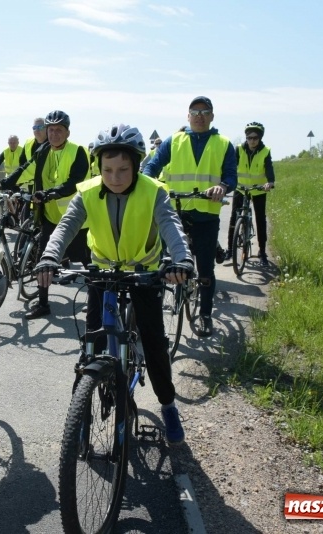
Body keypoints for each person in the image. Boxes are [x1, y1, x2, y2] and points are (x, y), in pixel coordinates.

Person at [33, 124, 195, 443]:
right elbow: (65, 227)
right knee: (91, 339)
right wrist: (49, 257)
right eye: (107, 169)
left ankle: (168, 405)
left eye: (123, 169)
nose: (115, 177)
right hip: (102, 270)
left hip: (145, 273)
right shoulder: (88, 191)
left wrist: (182, 260)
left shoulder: (154, 191)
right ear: (99, 167)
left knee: (154, 343)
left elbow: (172, 229)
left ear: (136, 166)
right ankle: (83, 408)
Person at [143, 96, 237, 337]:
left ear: (212, 116)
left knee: (205, 270)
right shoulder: (173, 140)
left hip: (206, 215)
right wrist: (148, 184)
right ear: (187, 116)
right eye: (194, 112)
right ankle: (150, 315)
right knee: (165, 263)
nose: (199, 116)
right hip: (174, 212)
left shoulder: (224, 143)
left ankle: (205, 314)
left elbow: (230, 177)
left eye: (204, 112)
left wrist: (222, 188)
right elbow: (151, 167)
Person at [0, 109, 91, 319]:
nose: (53, 134)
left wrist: (50, 193)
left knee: (87, 261)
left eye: (59, 130)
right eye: (50, 130)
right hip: (49, 216)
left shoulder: (78, 151)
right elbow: (24, 168)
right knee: (43, 260)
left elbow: (75, 182)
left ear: (67, 132)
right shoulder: (43, 151)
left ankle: (97, 298)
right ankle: (43, 304)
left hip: (74, 218)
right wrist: (4, 183)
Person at [227, 122, 275, 266]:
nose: (252, 140)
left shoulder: (265, 151)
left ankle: (262, 252)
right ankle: (230, 250)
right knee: (234, 217)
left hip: (259, 189)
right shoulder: (239, 149)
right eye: (249, 138)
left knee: (260, 219)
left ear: (260, 138)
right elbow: (231, 167)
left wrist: (270, 182)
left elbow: (269, 168)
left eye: (255, 138)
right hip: (241, 188)